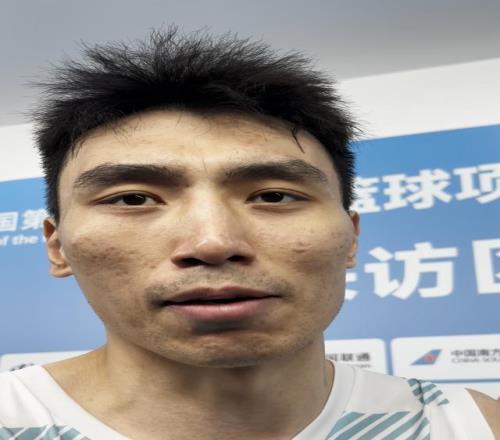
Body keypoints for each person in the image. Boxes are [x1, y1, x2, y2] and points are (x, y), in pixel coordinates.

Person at [0, 28, 498, 440]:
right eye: (133, 199)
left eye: (274, 195)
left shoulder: (471, 424)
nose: (212, 243)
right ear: (58, 246)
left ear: (351, 237)